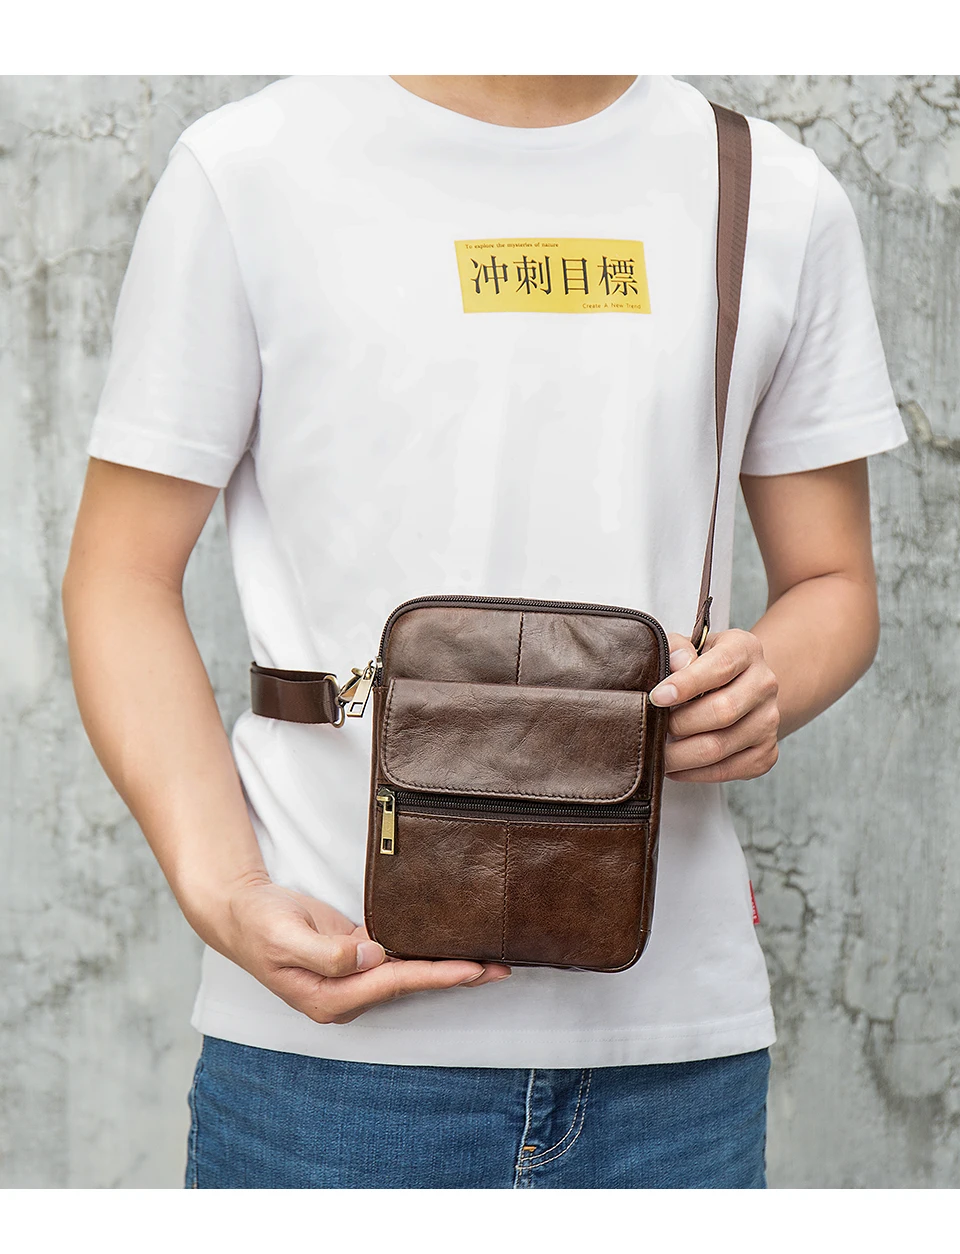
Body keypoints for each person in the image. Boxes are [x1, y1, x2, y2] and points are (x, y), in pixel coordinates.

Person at [62, 74, 908, 1189]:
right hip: (329, 1058)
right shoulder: (246, 170)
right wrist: (225, 890)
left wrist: (766, 684)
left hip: (673, 1068)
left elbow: (835, 581)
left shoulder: (774, 190)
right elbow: (120, 575)